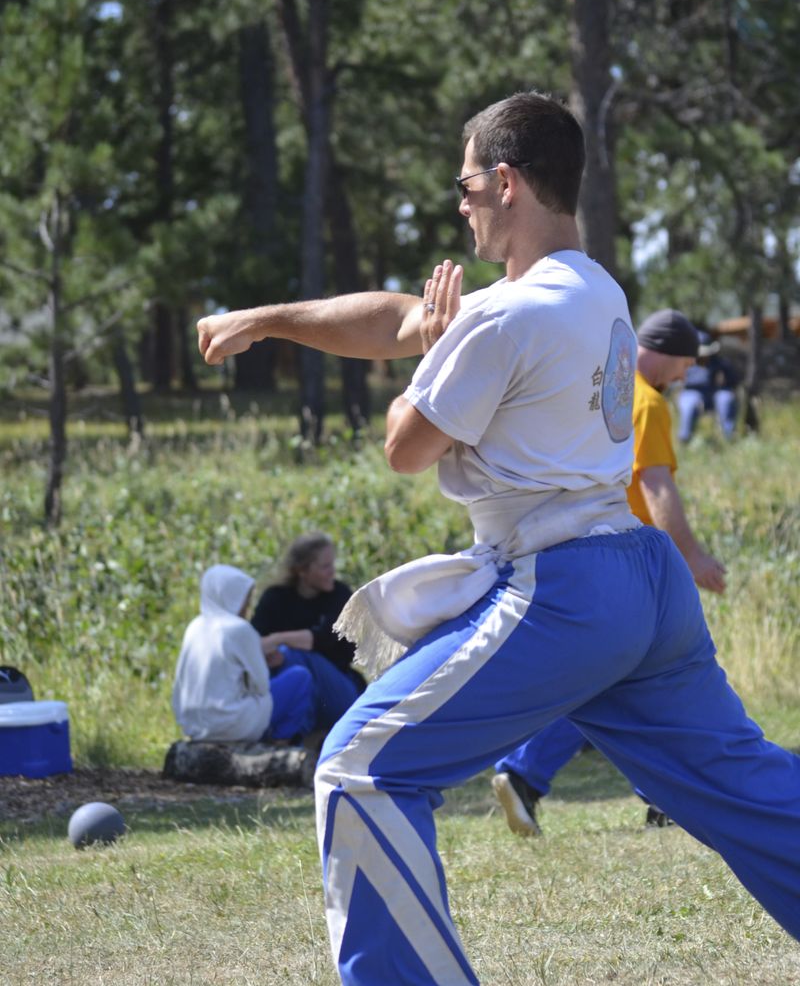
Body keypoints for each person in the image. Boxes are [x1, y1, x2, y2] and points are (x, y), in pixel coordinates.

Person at [197, 91, 800, 984]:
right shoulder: (594, 287)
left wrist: (436, 354)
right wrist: (270, 319)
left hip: (563, 589)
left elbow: (407, 446)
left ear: (506, 181)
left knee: (360, 771)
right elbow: (407, 320)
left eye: (466, 182)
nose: (460, 202)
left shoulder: (502, 317)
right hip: (643, 576)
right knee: (741, 783)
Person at [493, 309, 728, 836]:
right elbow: (657, 486)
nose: (686, 374)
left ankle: (651, 794)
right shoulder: (647, 403)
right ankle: (539, 775)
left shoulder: (599, 391)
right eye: (686, 361)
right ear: (666, 350)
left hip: (576, 551)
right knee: (661, 673)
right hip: (633, 564)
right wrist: (689, 556)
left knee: (617, 678)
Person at [172, 564, 315, 743]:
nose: (246, 607)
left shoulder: (194, 626)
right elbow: (262, 686)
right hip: (230, 724)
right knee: (300, 677)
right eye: (244, 600)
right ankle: (280, 741)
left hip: (194, 726)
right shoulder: (238, 628)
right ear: (231, 598)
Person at [251, 532, 366, 732]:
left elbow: (323, 639)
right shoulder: (275, 598)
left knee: (294, 656)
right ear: (302, 571)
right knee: (287, 664)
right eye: (324, 566)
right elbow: (253, 643)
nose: (332, 571)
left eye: (332, 564)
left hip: (339, 692)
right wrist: (271, 653)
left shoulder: (339, 595)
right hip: (287, 680)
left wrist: (278, 640)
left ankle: (297, 732)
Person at [677, 331, 740, 442]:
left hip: (715, 393)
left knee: (725, 399)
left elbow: (733, 381)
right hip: (692, 393)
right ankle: (685, 439)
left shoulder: (720, 363)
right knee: (689, 404)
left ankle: (729, 437)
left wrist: (724, 383)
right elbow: (676, 382)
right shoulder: (686, 364)